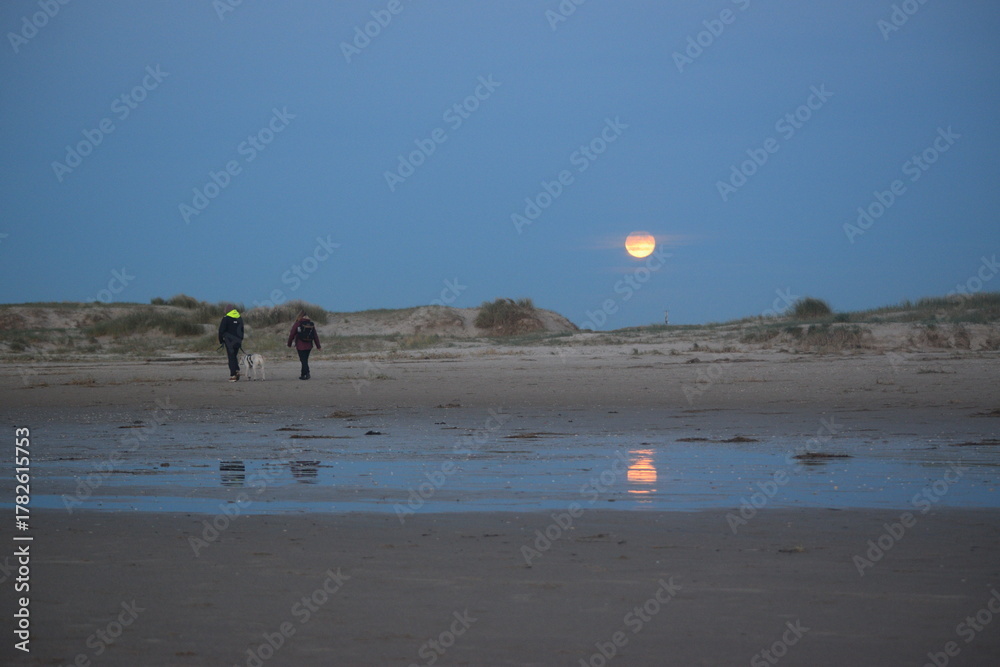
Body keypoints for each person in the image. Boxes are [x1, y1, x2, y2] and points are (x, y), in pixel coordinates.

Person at [288, 310, 321, 380]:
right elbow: (315, 335)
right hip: (309, 345)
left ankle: (307, 373)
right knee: (305, 360)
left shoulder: (298, 323)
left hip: (300, 345)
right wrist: (318, 346)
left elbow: (292, 334)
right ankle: (303, 375)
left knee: (303, 360)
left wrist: (289, 344)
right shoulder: (310, 324)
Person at [218, 305, 244, 382]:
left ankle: (233, 375)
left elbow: (221, 330)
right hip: (238, 341)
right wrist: (240, 339)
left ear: (227, 310)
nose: (224, 311)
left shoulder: (226, 318)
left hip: (229, 341)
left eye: (225, 310)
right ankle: (236, 371)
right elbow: (242, 330)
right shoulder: (239, 318)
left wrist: (221, 340)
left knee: (231, 357)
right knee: (234, 356)